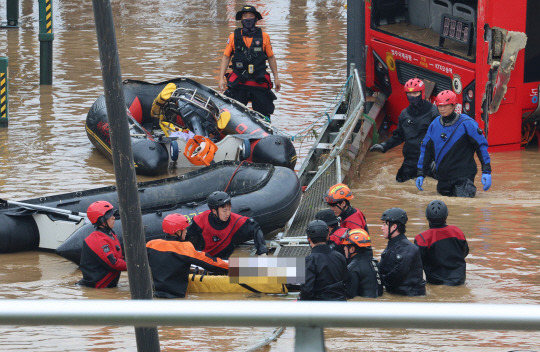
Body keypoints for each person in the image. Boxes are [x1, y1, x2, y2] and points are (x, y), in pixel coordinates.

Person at [416, 90, 492, 198]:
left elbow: (481, 146)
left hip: (463, 178)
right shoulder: (434, 125)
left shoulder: (467, 123)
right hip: (443, 179)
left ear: (454, 106)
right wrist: (421, 173)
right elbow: (426, 150)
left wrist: (486, 171)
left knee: (462, 208)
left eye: (446, 106)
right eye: (439, 106)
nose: (442, 109)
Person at [369, 78, 439, 182]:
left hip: (429, 161)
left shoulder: (434, 113)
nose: (412, 97)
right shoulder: (404, 115)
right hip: (410, 161)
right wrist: (384, 146)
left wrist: (436, 160)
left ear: (422, 93)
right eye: (410, 94)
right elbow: (399, 136)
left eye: (415, 93)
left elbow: (441, 138)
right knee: (399, 183)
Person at [218, 5, 281, 119]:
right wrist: (221, 78)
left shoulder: (264, 36)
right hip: (239, 82)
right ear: (241, 20)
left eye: (251, 16)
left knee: (264, 114)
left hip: (259, 81)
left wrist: (276, 78)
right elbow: (226, 57)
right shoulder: (233, 37)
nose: (248, 19)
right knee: (232, 114)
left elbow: (271, 57)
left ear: (256, 19)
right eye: (245, 16)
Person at [146, 213, 229, 298]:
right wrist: (239, 267)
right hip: (176, 299)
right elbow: (211, 263)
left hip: (155, 296)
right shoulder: (184, 248)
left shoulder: (151, 244)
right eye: (185, 229)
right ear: (178, 232)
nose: (186, 231)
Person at [186, 191, 268, 259]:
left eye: (229, 209)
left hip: (224, 257)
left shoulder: (235, 220)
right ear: (214, 211)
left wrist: (262, 251)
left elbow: (255, 228)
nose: (228, 213)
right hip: (205, 258)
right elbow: (185, 234)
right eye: (224, 211)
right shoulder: (201, 219)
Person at [414, 200, 469, 286]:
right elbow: (465, 253)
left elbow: (417, 264)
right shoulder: (457, 232)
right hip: (459, 280)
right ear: (446, 215)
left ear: (427, 216)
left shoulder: (421, 238)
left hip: (435, 282)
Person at [78, 201, 127, 288]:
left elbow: (119, 258)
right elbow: (114, 263)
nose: (113, 218)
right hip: (96, 288)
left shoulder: (111, 235)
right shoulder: (97, 240)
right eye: (110, 216)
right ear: (102, 221)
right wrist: (134, 265)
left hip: (107, 286)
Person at [378, 208, 426, 296]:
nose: (382, 228)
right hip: (399, 294)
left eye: (385, 224)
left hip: (409, 298)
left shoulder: (407, 249)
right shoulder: (393, 245)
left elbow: (394, 278)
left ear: (394, 227)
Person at [299, 220, 347, 301]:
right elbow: (346, 282)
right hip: (340, 303)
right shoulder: (340, 257)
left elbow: (307, 290)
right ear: (328, 236)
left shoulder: (309, 260)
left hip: (320, 307)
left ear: (309, 238)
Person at [342, 229, 383, 299]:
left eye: (346, 246)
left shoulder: (352, 268)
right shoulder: (375, 262)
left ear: (352, 249)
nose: (344, 248)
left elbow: (350, 296)